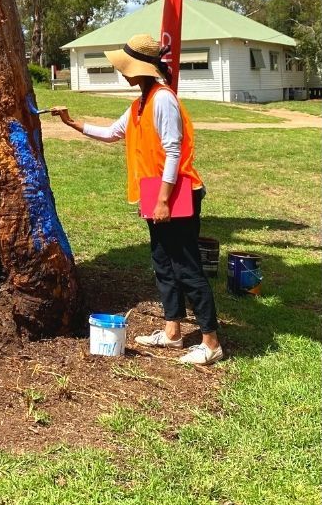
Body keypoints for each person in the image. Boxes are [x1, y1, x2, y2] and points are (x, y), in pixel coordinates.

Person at [53, 33, 222, 366]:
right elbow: (112, 133)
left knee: (187, 267)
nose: (122, 72)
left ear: (141, 69)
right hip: (154, 193)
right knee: (163, 264)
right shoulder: (139, 105)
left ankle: (210, 341)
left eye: (126, 66)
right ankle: (172, 332)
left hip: (176, 193)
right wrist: (72, 122)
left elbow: (173, 152)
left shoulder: (163, 100)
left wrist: (162, 201)